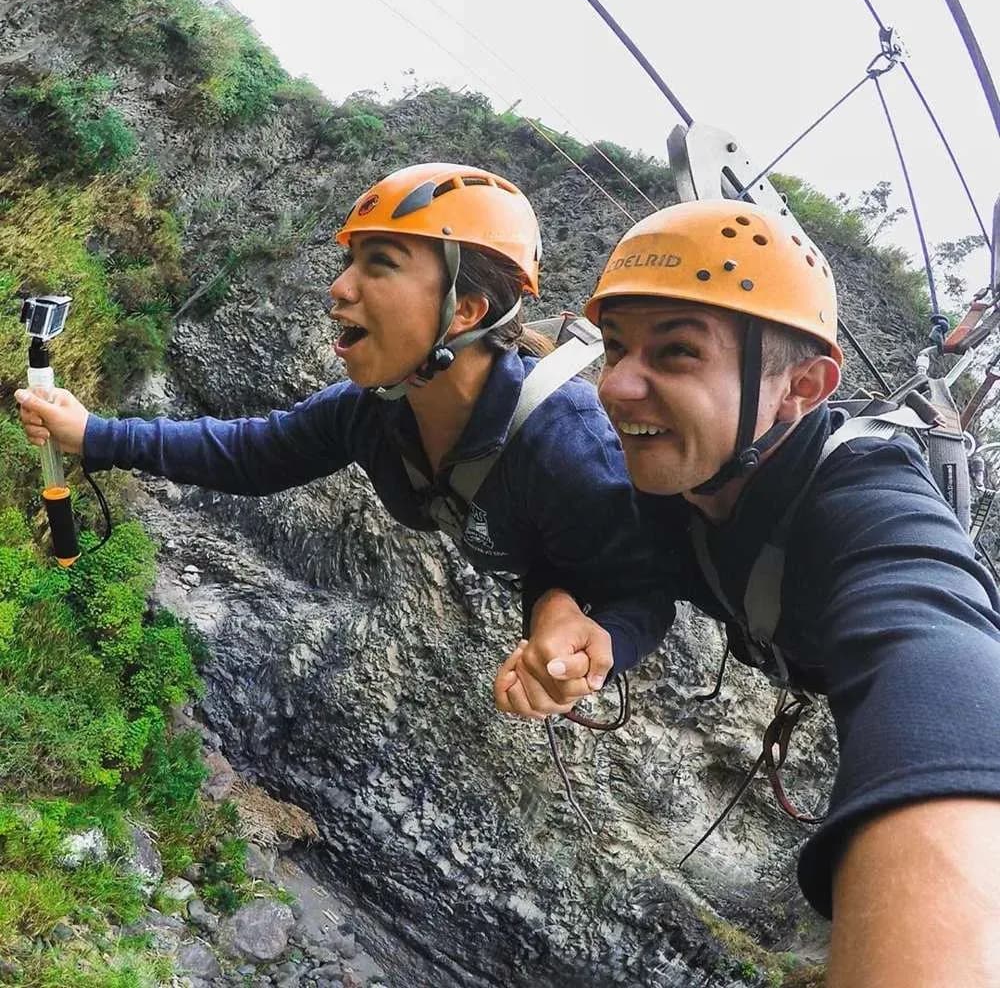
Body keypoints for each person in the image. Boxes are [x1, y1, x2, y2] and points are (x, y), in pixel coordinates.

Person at [497, 198, 1000, 986]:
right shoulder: (674, 481)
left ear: (801, 387)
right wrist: (573, 617)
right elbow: (634, 578)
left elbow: (937, 656)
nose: (617, 387)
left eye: (677, 353)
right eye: (618, 347)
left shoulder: (863, 497)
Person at [15, 162, 669, 682]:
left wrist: (594, 640)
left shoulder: (565, 442)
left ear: (465, 310)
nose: (340, 287)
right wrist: (94, 433)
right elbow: (254, 453)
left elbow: (641, 591)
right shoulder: (374, 411)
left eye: (379, 264)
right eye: (348, 262)